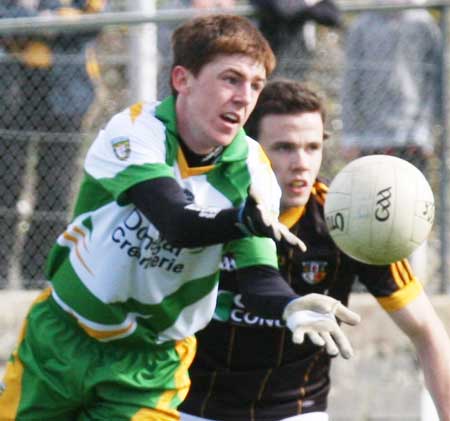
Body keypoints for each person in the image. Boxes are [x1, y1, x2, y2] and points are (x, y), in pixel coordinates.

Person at [0, 15, 361, 420]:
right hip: (61, 338)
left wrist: (290, 305)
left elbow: (258, 275)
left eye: (255, 86)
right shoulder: (136, 130)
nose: (245, 97)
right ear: (182, 79)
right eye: (231, 79)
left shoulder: (254, 171)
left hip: (149, 369)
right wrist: (240, 219)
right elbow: (175, 221)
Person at [179, 79, 450, 421]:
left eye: (312, 147)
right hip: (193, 408)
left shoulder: (351, 221)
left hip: (295, 411)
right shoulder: (208, 210)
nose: (301, 162)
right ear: (249, 148)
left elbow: (427, 331)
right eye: (284, 147)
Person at [0, 0, 106, 289]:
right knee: (6, 186)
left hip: (66, 95)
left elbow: (94, 21)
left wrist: (45, 19)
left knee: (56, 191)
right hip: (12, 90)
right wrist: (40, 21)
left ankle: (38, 278)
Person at [341, 5, 441, 284]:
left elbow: (437, 80)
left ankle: (413, 280)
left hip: (413, 136)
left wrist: (431, 131)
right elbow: (351, 82)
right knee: (368, 209)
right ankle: (370, 279)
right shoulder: (362, 25)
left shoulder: (423, 24)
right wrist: (351, 135)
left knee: (412, 209)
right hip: (370, 138)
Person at [249, 0, 341, 80]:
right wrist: (302, 10)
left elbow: (332, 16)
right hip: (270, 52)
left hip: (300, 55)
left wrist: (304, 10)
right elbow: (283, 11)